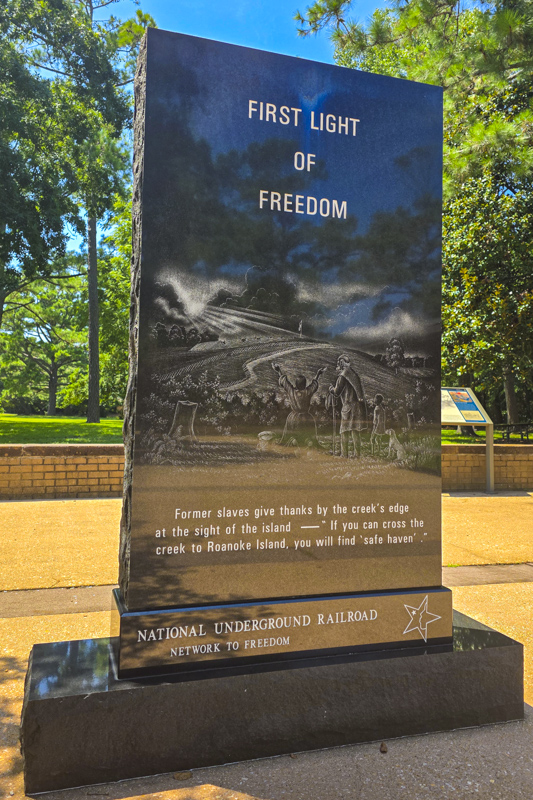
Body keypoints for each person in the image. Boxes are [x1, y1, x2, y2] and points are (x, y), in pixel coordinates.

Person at [272, 362, 326, 445]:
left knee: (290, 434)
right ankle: (308, 441)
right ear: (305, 385)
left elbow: (284, 381)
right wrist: (318, 374)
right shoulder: (307, 391)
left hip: (293, 417)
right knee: (309, 434)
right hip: (306, 417)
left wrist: (278, 370)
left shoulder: (291, 391)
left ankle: (291, 441)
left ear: (296, 385)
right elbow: (314, 384)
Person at [329, 354, 367, 457]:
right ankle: (357, 454)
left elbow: (337, 392)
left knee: (344, 430)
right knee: (355, 431)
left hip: (348, 407)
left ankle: (344, 454)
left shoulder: (343, 375)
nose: (337, 365)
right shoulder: (353, 374)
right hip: (357, 406)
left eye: (339, 363)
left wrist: (331, 389)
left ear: (341, 363)